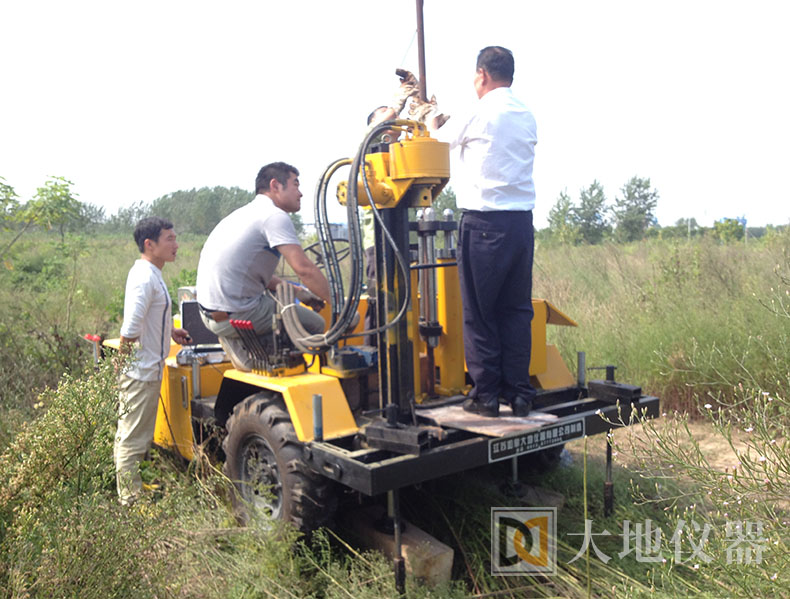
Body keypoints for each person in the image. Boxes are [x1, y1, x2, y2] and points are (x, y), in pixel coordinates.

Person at [410, 46, 537, 418]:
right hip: (520, 225)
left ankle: (485, 397)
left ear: (482, 75)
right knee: (515, 311)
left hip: (484, 225)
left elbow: (435, 145)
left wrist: (429, 119)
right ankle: (520, 395)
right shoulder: (526, 114)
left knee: (480, 314)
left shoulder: (479, 111)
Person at [195, 162, 329, 370]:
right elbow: (304, 269)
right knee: (315, 324)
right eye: (296, 185)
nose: (301, 193)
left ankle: (242, 344)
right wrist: (340, 304)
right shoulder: (274, 216)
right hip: (238, 312)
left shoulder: (242, 215)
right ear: (275, 185)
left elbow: (248, 274)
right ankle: (279, 364)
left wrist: (299, 293)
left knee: (279, 303)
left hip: (211, 313)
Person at [116, 217, 190, 506]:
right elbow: (131, 329)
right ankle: (131, 503)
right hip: (140, 371)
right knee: (132, 439)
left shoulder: (153, 273)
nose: (176, 244)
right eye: (169, 239)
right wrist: (121, 367)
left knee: (141, 435)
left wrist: (171, 331)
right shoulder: (145, 278)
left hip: (148, 368)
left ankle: (138, 487)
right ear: (150, 244)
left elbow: (150, 313)